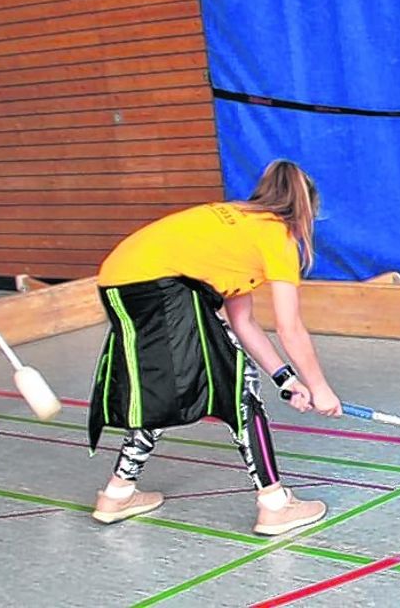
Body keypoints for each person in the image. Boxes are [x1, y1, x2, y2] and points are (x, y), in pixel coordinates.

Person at [88, 159, 342, 535]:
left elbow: (243, 322)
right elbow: (290, 327)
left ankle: (118, 494)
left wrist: (286, 380)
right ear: (304, 211)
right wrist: (320, 388)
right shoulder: (278, 234)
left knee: (161, 388)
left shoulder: (236, 224)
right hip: (161, 286)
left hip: (118, 282)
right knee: (238, 385)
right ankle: (275, 504)